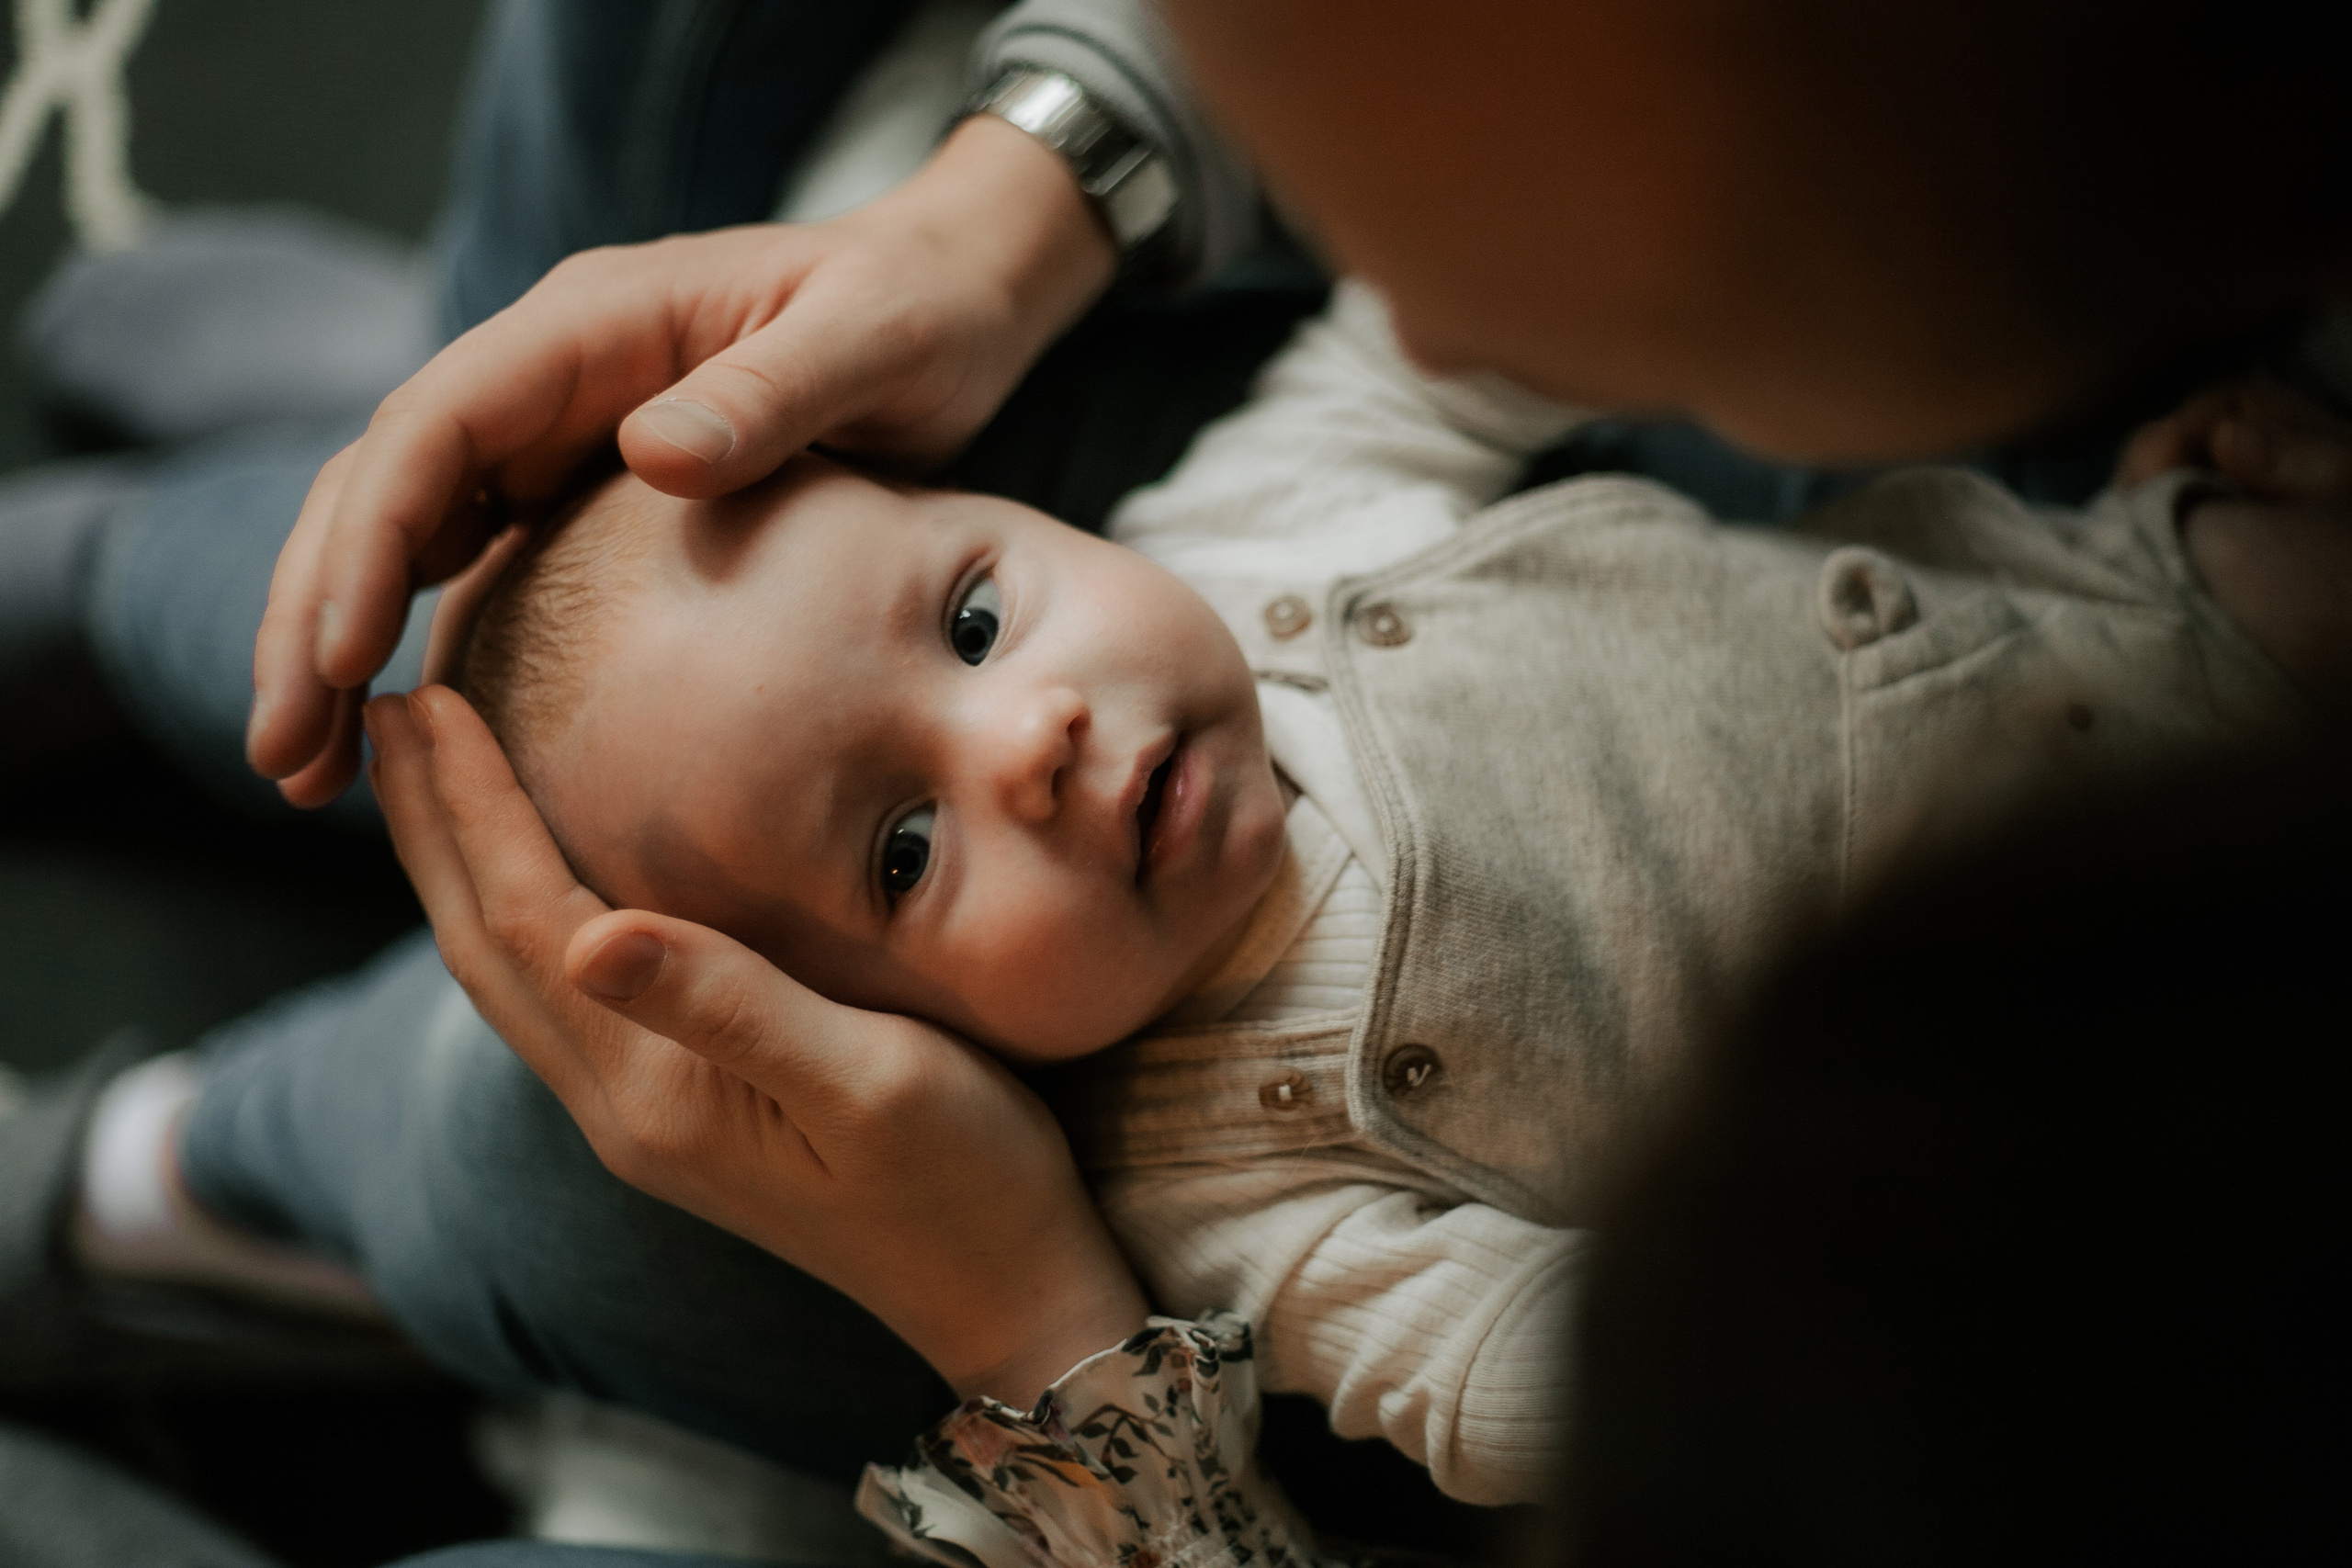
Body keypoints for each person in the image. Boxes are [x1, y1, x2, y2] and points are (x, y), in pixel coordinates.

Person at [60, 281, 2341, 1562]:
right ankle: (201, 605)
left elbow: (1449, 320)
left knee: (473, 1022)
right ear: (873, 1039)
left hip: (2109, 814)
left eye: (972, 608)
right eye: (899, 857)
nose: (1028, 738)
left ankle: (162, 1122)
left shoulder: (1242, 539)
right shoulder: (1221, 1178)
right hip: (2114, 943)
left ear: (1018, 500)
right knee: (421, 768)